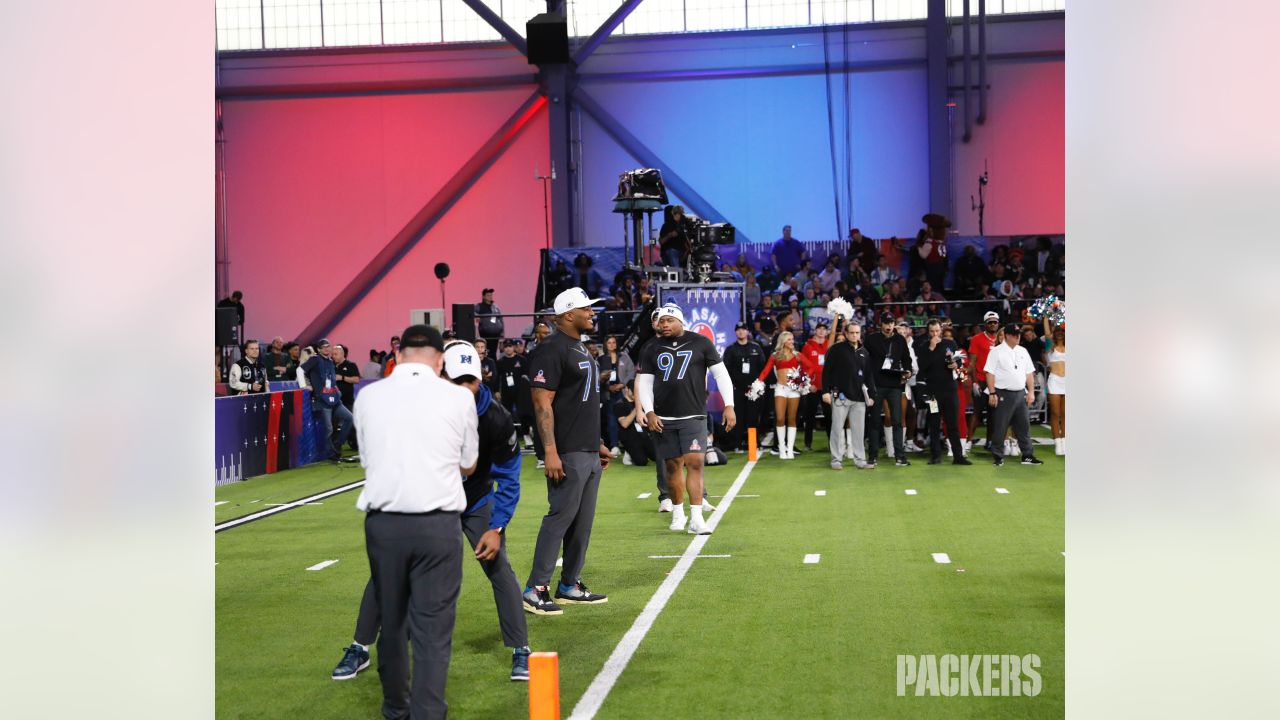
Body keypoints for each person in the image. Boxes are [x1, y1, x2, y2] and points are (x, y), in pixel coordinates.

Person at [333, 341, 532, 685]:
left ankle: (521, 650)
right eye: (457, 382)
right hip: (428, 499)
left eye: (470, 380)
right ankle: (360, 646)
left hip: (475, 501)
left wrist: (497, 527)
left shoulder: (496, 418)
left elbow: (509, 475)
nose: (465, 389)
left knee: (499, 568)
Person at [353, 324, 477, 720]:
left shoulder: (368, 396)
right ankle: (428, 713)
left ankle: (395, 709)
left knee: (392, 622)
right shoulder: (458, 398)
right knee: (433, 628)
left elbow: (368, 458)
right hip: (437, 525)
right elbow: (468, 463)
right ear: (440, 360)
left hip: (385, 524)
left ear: (399, 354)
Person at [523, 287, 614, 616]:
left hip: (586, 448)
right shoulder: (551, 349)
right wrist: (550, 451)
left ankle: (569, 583)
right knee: (560, 517)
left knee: (582, 522)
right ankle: (536, 588)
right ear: (567, 315)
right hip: (567, 450)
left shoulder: (580, 347)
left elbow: (583, 401)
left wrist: (597, 442)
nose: (592, 313)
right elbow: (541, 402)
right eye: (586, 309)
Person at [636, 304, 735, 535]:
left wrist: (729, 406)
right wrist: (649, 411)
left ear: (680, 321)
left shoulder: (701, 342)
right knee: (672, 466)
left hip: (693, 414)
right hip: (664, 417)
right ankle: (678, 513)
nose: (664, 324)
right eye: (661, 321)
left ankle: (697, 518)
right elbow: (646, 383)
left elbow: (721, 374)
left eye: (669, 320)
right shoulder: (650, 347)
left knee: (695, 463)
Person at [984, 323, 1044, 467]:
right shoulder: (996, 351)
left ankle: (1027, 455)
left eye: (1018, 335)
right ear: (1007, 336)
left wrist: (1030, 392)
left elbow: (1029, 373)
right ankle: (998, 456)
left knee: (1024, 426)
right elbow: (989, 373)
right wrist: (992, 392)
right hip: (1003, 392)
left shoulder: (1023, 350)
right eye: (1014, 335)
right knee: (1000, 426)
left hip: (1020, 393)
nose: (1018, 337)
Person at [915, 319, 972, 466]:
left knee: (953, 423)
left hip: (950, 391)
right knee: (934, 423)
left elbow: (959, 360)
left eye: (937, 331)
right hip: (933, 393)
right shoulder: (923, 347)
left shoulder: (950, 344)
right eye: (932, 331)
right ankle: (935, 456)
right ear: (928, 332)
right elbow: (923, 368)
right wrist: (931, 349)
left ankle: (958, 456)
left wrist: (956, 364)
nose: (935, 334)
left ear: (941, 330)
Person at [821, 319, 875, 470]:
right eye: (851, 333)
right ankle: (836, 460)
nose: (854, 335)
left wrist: (871, 394)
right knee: (837, 428)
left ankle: (860, 460)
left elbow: (869, 375)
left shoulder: (864, 352)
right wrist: (825, 391)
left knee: (859, 430)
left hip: (859, 397)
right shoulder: (836, 349)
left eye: (857, 333)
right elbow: (826, 371)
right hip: (840, 395)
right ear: (845, 333)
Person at [863, 311, 914, 466]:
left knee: (897, 421)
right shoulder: (871, 339)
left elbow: (907, 359)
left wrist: (908, 371)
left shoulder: (900, 340)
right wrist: (866, 381)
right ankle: (872, 456)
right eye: (886, 323)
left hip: (894, 385)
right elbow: (863, 358)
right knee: (875, 422)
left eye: (891, 323)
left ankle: (899, 456)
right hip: (876, 385)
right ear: (881, 324)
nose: (889, 326)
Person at [757, 331, 817, 460]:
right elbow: (765, 371)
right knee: (779, 418)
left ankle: (789, 449)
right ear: (783, 341)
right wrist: (757, 384)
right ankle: (782, 448)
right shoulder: (775, 356)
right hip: (781, 388)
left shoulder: (798, 355)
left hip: (794, 390)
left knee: (792, 419)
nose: (792, 342)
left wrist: (802, 378)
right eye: (789, 339)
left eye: (792, 339)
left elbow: (811, 367)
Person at [302, 339, 355, 462]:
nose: (326, 349)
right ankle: (332, 452)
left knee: (349, 418)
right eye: (323, 347)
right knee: (329, 428)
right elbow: (300, 370)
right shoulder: (314, 360)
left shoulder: (330, 361)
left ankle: (336, 445)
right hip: (322, 399)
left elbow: (331, 379)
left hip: (334, 398)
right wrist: (304, 385)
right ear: (319, 349)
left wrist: (336, 389)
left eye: (328, 346)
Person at [721, 321, 768, 453]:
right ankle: (738, 443)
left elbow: (762, 368)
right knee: (739, 417)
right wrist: (732, 387)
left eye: (743, 329)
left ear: (747, 331)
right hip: (738, 389)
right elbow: (726, 371)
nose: (741, 332)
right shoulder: (731, 350)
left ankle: (753, 443)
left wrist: (758, 385)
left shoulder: (756, 348)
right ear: (735, 332)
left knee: (753, 417)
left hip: (754, 389)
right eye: (738, 330)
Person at [967, 311, 1002, 451]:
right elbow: (972, 363)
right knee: (977, 413)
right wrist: (974, 382)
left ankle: (990, 442)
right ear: (985, 324)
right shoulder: (977, 339)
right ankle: (968, 441)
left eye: (995, 322)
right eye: (990, 322)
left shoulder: (1003, 339)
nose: (993, 324)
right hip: (981, 380)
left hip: (998, 382)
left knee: (995, 414)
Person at [798, 322, 834, 451]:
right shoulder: (807, 346)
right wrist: (808, 384)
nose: (821, 331)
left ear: (827, 331)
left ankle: (832, 443)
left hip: (826, 387)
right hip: (812, 387)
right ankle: (808, 444)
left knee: (829, 415)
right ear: (815, 330)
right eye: (819, 329)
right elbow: (802, 367)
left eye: (824, 329)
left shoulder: (829, 345)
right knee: (810, 415)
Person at [1043, 318, 1067, 455]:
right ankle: (1057, 442)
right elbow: (1047, 332)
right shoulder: (1050, 345)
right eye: (1057, 331)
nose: (1060, 333)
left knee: (1065, 414)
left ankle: (1065, 441)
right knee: (1055, 413)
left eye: (1062, 331)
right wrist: (1046, 316)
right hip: (1055, 381)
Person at [475, 289, 504, 353]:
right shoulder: (479, 306)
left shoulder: (495, 306)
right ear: (483, 297)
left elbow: (501, 319)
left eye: (491, 295)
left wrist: (502, 334)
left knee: (494, 352)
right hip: (486, 335)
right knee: (487, 352)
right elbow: (471, 312)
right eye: (488, 295)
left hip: (496, 335)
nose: (490, 297)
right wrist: (476, 316)